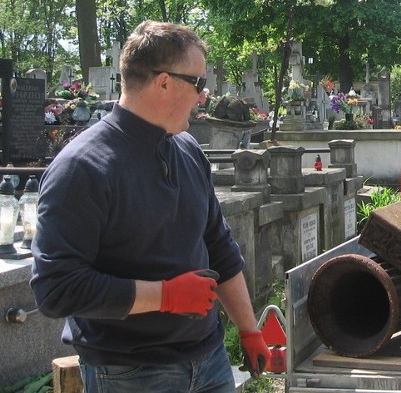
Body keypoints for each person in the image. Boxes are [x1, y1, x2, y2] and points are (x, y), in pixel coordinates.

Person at [31, 21, 270, 392]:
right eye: (198, 83)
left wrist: (249, 328)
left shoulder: (187, 150)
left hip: (209, 360)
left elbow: (218, 246)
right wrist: (166, 296)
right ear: (164, 83)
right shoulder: (83, 168)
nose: (203, 96)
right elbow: (56, 288)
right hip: (131, 372)